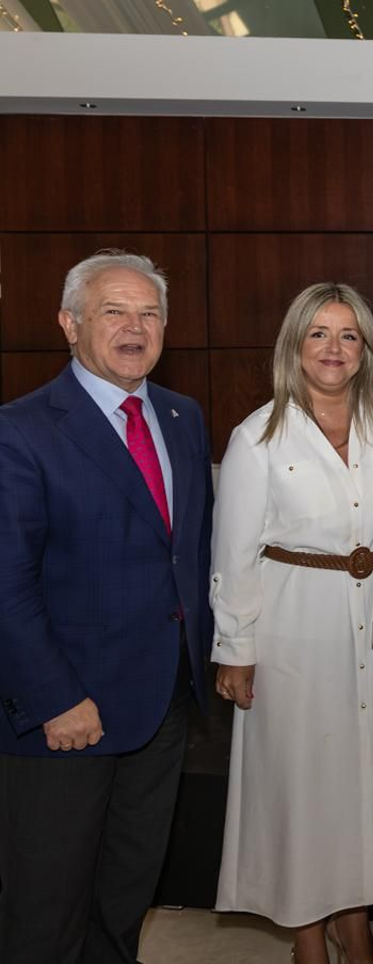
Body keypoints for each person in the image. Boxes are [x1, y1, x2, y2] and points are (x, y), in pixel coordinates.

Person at [0, 251, 213, 964]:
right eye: (113, 311)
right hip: (65, 719)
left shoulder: (183, 417)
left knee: (123, 905)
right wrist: (56, 697)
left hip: (161, 708)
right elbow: (7, 584)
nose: (135, 327)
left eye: (149, 313)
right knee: (45, 912)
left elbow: (185, 555)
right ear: (69, 323)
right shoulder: (21, 431)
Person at [211, 283, 373, 964]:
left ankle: (355, 926)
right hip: (291, 629)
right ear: (295, 345)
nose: (333, 348)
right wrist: (235, 648)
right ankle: (305, 937)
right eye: (318, 333)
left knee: (360, 780)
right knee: (300, 784)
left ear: (367, 350)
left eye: (348, 335)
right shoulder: (258, 435)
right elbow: (232, 553)